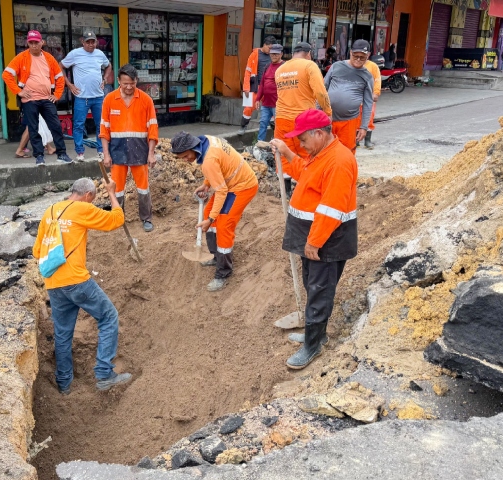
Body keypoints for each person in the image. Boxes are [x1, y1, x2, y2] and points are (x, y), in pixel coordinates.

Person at [270, 109, 357, 370]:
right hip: (312, 235)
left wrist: (315, 242)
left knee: (320, 291)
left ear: (319, 134)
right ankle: (314, 333)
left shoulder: (339, 161)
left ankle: (313, 345)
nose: (301, 144)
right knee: (313, 284)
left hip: (326, 241)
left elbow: (331, 208)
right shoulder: (320, 155)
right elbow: (306, 176)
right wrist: (286, 152)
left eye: (303, 140)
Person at [32, 177, 132, 395]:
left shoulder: (49, 211)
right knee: (108, 317)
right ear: (87, 196)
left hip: (53, 283)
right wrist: (112, 192)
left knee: (62, 333)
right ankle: (105, 374)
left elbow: (37, 251)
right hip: (76, 281)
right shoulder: (81, 209)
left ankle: (64, 384)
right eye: (92, 199)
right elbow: (116, 219)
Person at [170, 132, 259, 292]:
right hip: (230, 183)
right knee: (208, 212)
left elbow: (221, 190)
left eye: (185, 156)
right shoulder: (205, 140)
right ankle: (216, 256)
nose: (186, 160)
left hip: (243, 186)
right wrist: (206, 184)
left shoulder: (208, 161)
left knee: (223, 224)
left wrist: (211, 220)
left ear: (192, 147)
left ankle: (223, 272)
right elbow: (218, 168)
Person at [99, 64, 158, 233]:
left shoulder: (146, 100)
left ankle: (146, 218)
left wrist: (151, 153)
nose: (129, 87)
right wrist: (106, 154)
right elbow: (104, 129)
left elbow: (152, 128)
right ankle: (118, 218)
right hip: (117, 151)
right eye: (125, 83)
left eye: (132, 83)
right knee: (117, 188)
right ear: (118, 81)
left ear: (136, 81)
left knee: (143, 187)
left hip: (140, 150)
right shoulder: (109, 99)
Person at [2, 30, 71, 166]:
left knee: (56, 126)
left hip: (47, 98)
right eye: (31, 42)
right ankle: (39, 156)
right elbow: (7, 74)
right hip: (30, 99)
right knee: (33, 128)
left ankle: (62, 153)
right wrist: (18, 91)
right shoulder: (21, 57)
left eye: (36, 42)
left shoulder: (49, 58)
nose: (33, 45)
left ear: (42, 43)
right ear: (27, 43)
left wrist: (57, 95)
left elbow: (60, 78)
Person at [275, 42, 331, 196]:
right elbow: (320, 93)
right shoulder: (309, 65)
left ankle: (285, 189)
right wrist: (327, 111)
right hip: (302, 119)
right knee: (308, 151)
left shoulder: (280, 69)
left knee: (284, 152)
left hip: (281, 117)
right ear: (308, 54)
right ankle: (306, 185)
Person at [61, 31, 111, 162]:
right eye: (87, 42)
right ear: (82, 42)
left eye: (92, 42)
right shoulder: (75, 54)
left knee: (100, 124)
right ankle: (80, 152)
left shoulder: (100, 54)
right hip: (82, 97)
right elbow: (60, 66)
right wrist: (69, 85)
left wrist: (105, 79)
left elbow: (108, 66)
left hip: (98, 97)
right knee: (78, 125)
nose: (90, 44)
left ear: (96, 42)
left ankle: (101, 150)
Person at [324, 38, 373, 153]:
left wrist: (364, 127)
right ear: (350, 52)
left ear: (368, 56)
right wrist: (318, 113)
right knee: (325, 152)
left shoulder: (367, 76)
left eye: (362, 57)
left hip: (349, 122)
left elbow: (368, 103)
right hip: (327, 119)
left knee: (346, 152)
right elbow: (322, 89)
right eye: (355, 56)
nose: (358, 60)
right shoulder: (336, 66)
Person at [240, 36, 277, 133]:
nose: (270, 51)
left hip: (268, 87)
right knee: (248, 108)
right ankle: (243, 127)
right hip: (254, 86)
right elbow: (247, 71)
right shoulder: (254, 54)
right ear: (264, 45)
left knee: (273, 108)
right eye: (269, 48)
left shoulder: (273, 56)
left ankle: (274, 130)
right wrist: (246, 88)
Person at [254, 44, 284, 141]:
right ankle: (259, 144)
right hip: (266, 103)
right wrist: (258, 98)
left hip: (278, 104)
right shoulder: (267, 66)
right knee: (263, 123)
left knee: (278, 127)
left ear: (281, 54)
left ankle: (277, 146)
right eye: (272, 54)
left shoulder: (284, 67)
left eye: (276, 54)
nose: (273, 56)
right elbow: (262, 84)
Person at [361, 57, 381, 149]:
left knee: (369, 118)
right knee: (355, 119)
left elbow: (377, 79)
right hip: (356, 97)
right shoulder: (351, 65)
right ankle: (355, 141)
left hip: (369, 97)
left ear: (368, 54)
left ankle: (367, 141)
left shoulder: (373, 66)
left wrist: (376, 93)